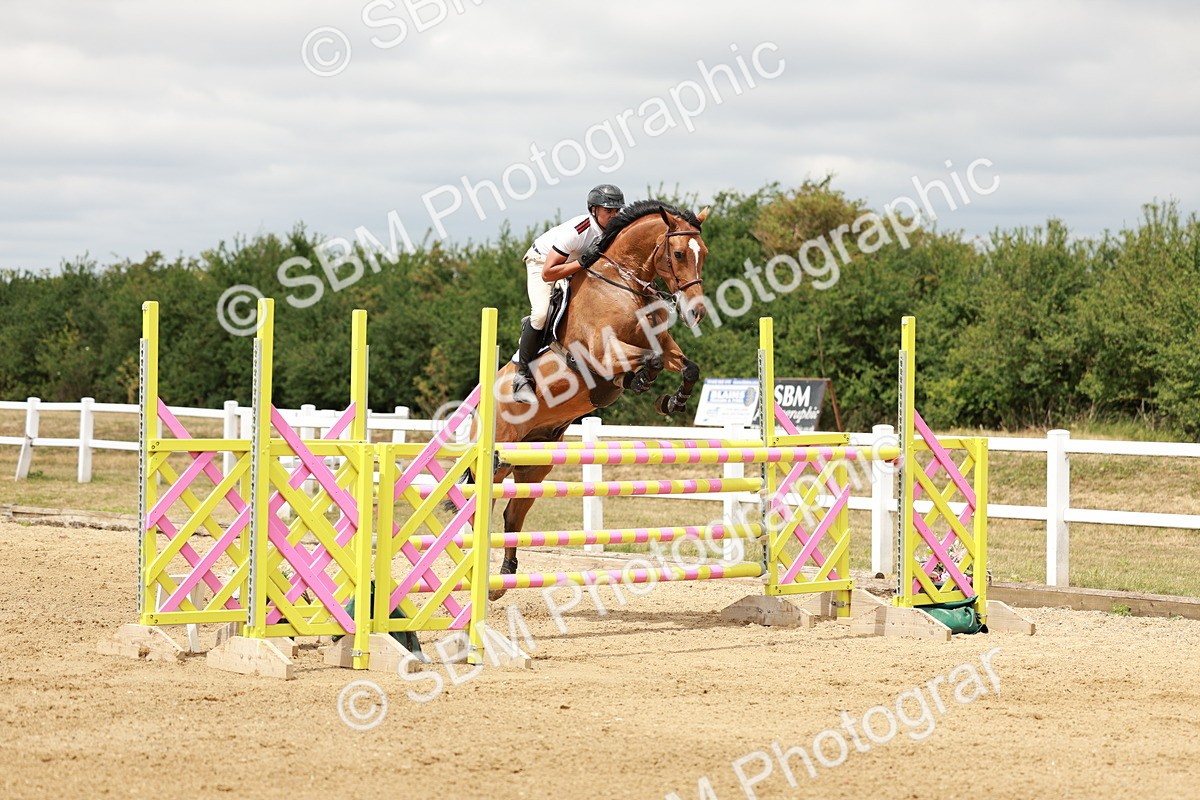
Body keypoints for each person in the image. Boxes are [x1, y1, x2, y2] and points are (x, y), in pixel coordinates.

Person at [512, 183, 625, 403]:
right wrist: (583, 261)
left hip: (574, 266)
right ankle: (522, 376)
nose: (614, 215)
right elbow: (548, 273)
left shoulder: (614, 229)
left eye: (617, 210)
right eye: (608, 210)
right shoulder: (579, 230)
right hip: (542, 264)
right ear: (594, 210)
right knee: (541, 314)